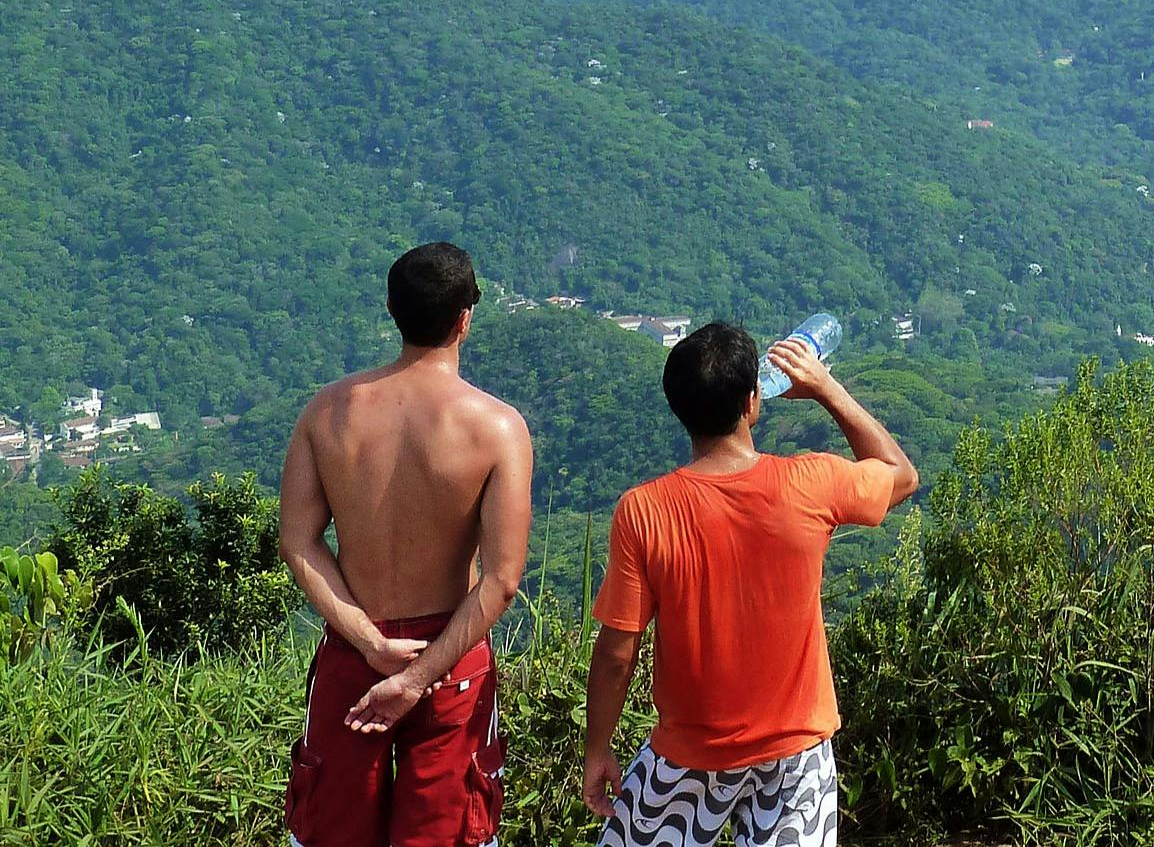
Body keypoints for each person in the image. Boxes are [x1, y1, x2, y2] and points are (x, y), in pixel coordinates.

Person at [583, 321, 917, 847]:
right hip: (796, 755)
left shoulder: (644, 511)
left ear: (679, 408)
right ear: (752, 401)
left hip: (689, 753)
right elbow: (901, 473)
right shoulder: (811, 483)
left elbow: (616, 655)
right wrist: (825, 387)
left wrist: (598, 749)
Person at [276, 241, 534, 847]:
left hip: (353, 651)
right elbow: (501, 581)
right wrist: (419, 676)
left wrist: (370, 642)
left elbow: (298, 542)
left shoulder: (326, 414)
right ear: (465, 319)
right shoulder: (497, 428)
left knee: (332, 832)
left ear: (392, 311)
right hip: (452, 656)